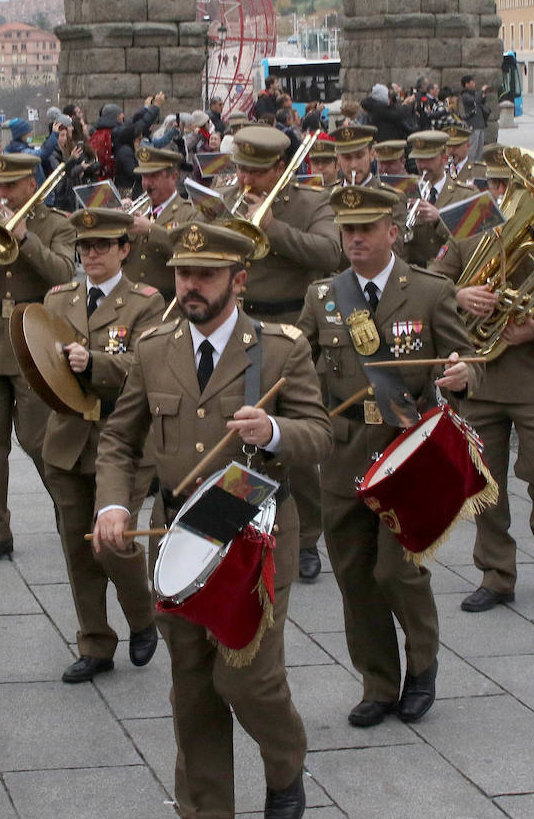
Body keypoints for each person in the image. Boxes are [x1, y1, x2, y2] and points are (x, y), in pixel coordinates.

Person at [91, 221, 330, 819]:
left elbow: (321, 434)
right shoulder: (153, 348)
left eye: (206, 275)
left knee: (247, 679)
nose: (190, 285)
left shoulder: (279, 348)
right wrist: (115, 504)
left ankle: (285, 761)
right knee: (192, 687)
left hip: (256, 534)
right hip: (178, 537)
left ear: (239, 281)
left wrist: (274, 431)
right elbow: (120, 438)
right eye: (182, 273)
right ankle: (204, 808)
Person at [298, 184, 478, 728]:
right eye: (347, 231)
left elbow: (466, 355)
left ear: (392, 233)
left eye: (365, 230)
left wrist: (465, 375)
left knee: (396, 571)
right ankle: (378, 681)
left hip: (406, 450)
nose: (354, 239)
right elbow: (297, 363)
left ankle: (422, 664)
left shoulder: (427, 290)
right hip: (345, 450)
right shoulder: (324, 296)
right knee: (354, 574)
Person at [429, 155, 534, 612]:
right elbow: (428, 285)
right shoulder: (470, 234)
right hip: (481, 375)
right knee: (484, 482)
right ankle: (497, 573)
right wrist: (460, 294)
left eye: (513, 186)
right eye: (501, 186)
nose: (506, 195)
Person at [41, 208, 163, 683]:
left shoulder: (147, 303)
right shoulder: (58, 298)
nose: (91, 254)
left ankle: (142, 614)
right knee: (77, 548)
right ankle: (94, 642)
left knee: (113, 544)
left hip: (125, 438)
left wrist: (93, 363)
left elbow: (149, 363)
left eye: (103, 246)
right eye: (84, 246)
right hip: (68, 440)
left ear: (124, 250)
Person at [220, 125, 340, 582]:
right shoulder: (227, 196)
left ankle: (306, 536)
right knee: (237, 425)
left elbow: (330, 253)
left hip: (291, 328)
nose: (245, 180)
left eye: (255, 171)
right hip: (238, 323)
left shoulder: (311, 202)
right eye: (240, 169)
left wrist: (273, 227)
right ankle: (237, 523)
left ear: (280, 169)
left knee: (291, 432)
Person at [0, 152, 76, 563]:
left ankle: (71, 517)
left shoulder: (57, 224)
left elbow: (64, 274)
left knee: (38, 440)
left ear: (33, 184)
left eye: (10, 186)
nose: (3, 194)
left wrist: (26, 239)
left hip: (33, 339)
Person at [125, 146, 197, 302]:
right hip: (129, 301)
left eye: (154, 177)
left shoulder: (189, 213)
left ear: (174, 176)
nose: (147, 184)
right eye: (144, 177)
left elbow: (189, 257)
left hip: (165, 303)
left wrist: (151, 231)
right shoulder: (138, 209)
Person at [402, 129, 479, 266]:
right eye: (419, 159)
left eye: (429, 159)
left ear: (444, 159)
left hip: (448, 275)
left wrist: (440, 220)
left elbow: (470, 243)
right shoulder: (406, 190)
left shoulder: (466, 195)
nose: (423, 165)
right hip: (412, 273)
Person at [460, 75, 491, 154]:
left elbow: (481, 102)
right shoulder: (465, 95)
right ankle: (470, 164)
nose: (474, 84)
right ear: (467, 84)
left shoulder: (475, 93)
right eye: (472, 82)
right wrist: (481, 91)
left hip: (480, 124)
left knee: (480, 148)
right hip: (473, 124)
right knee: (473, 147)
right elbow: (475, 101)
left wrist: (484, 96)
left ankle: (477, 164)